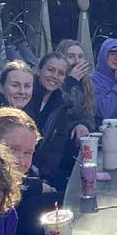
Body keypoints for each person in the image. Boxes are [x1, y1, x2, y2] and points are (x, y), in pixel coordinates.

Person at [29, 51, 75, 195]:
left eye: (60, 73)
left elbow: (56, 147)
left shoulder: (61, 103)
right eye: (50, 70)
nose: (54, 76)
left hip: (43, 172)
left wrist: (45, 178)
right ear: (39, 70)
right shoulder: (26, 94)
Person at [55, 39, 96, 137]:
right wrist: (70, 81)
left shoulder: (86, 83)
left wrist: (84, 125)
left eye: (80, 57)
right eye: (71, 57)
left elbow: (90, 115)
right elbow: (56, 113)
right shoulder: (54, 82)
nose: (77, 61)